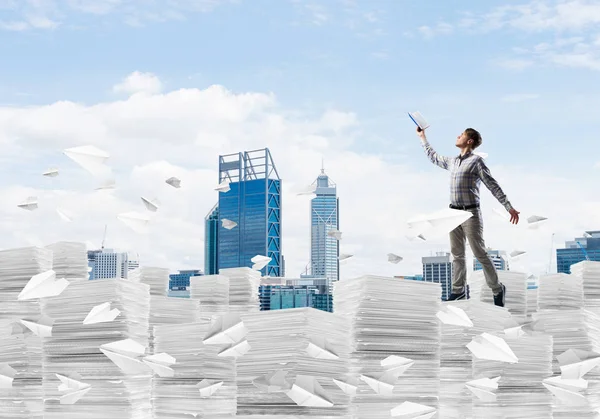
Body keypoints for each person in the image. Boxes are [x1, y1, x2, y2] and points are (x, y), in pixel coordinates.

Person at [416, 126, 519, 307]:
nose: (458, 136)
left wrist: (508, 207)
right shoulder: (453, 161)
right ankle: (458, 291)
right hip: (452, 213)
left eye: (462, 135)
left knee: (480, 253)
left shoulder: (476, 162)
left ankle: (497, 289)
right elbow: (433, 157)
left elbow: (492, 185)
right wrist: (423, 137)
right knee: (457, 255)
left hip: (470, 213)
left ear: (469, 141)